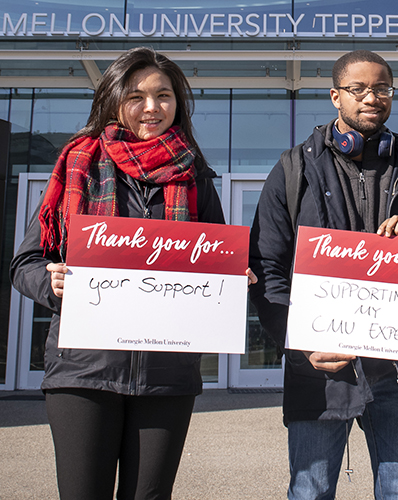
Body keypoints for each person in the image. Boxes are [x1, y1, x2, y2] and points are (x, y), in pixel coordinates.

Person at [10, 47, 255, 500]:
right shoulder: (77, 164)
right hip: (83, 370)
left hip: (167, 372)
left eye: (163, 95)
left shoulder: (195, 176)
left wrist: (232, 275)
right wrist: (51, 281)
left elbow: (215, 258)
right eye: (136, 95)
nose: (151, 107)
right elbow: (25, 263)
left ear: (178, 103)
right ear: (113, 99)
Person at [249, 49, 398, 499]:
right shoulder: (293, 168)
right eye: (358, 88)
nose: (372, 97)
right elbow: (268, 267)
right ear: (334, 96)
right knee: (310, 492)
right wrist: (301, 342)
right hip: (322, 370)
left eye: (382, 88)